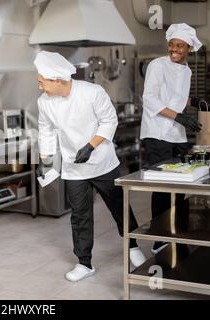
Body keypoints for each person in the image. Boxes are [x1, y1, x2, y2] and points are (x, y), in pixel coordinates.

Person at [34, 51, 146, 282]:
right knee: (80, 216)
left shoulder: (91, 92)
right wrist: (44, 159)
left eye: (41, 81)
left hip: (102, 162)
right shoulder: (44, 102)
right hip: (73, 168)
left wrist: (91, 146)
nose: (39, 86)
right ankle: (84, 263)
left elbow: (109, 121)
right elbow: (45, 130)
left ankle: (133, 246)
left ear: (57, 80)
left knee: (119, 207)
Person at [140, 23, 203, 254]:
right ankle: (159, 239)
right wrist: (180, 117)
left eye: (180, 45)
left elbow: (176, 96)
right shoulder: (158, 65)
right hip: (157, 132)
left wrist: (192, 102)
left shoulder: (187, 70)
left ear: (189, 48)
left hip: (176, 133)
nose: (174, 49)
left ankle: (175, 230)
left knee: (179, 184)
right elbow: (150, 100)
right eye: (171, 44)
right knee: (163, 187)